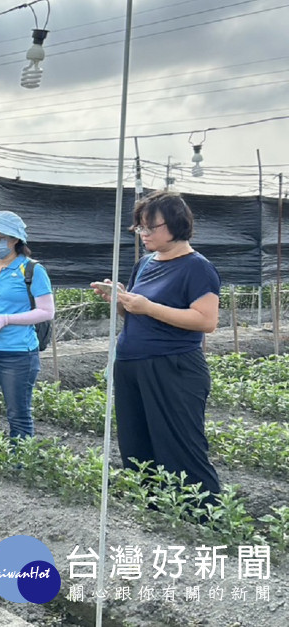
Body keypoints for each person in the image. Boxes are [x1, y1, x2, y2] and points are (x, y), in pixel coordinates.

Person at [91, 191, 221, 499]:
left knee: (179, 447)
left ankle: (203, 519)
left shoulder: (197, 267)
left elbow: (206, 321)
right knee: (137, 446)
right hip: (131, 365)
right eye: (140, 227)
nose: (144, 233)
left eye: (151, 227)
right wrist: (120, 299)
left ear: (176, 225)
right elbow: (134, 313)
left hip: (172, 366)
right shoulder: (145, 263)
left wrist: (147, 306)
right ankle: (153, 514)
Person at [0, 211, 55, 439]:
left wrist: (6, 320)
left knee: (18, 415)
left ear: (14, 240)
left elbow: (46, 311)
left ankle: (19, 468)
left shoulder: (32, 270)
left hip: (18, 354)